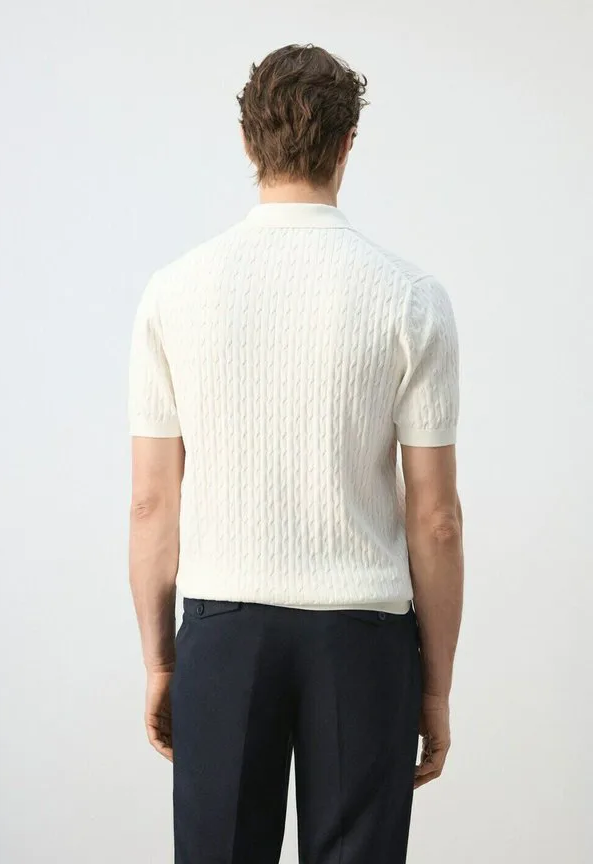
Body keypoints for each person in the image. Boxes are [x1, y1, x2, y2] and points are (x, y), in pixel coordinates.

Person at [128, 42, 464, 864]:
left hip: (224, 630)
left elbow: (151, 504)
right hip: (365, 638)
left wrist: (162, 662)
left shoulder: (174, 292)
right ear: (349, 144)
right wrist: (435, 688)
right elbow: (437, 518)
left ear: (249, 142)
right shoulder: (409, 298)